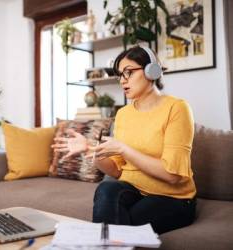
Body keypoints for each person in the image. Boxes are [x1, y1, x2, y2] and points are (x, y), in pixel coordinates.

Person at [52, 45, 197, 234]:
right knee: (106, 189)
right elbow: (116, 170)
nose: (122, 80)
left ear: (151, 70)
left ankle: (98, 242)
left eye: (128, 72)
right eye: (120, 75)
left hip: (174, 198)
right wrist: (89, 149)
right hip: (134, 191)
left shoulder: (177, 108)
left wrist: (123, 149)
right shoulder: (123, 114)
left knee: (121, 224)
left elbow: (172, 175)